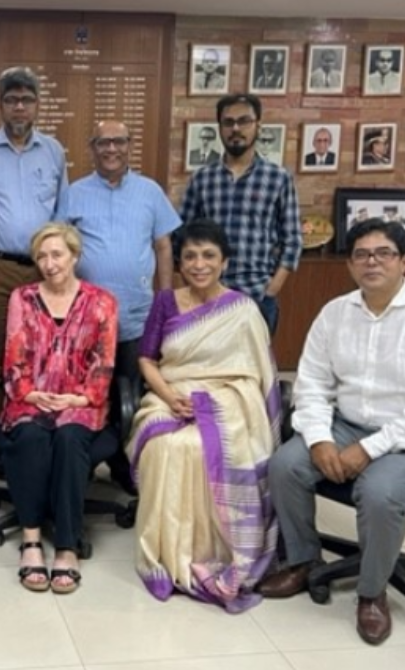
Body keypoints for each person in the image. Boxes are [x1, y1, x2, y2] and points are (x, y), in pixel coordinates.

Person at [258, 219, 405, 645]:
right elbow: (312, 383)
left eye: (384, 253)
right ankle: (303, 562)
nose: (372, 262)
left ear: (404, 261)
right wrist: (318, 438)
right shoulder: (334, 314)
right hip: (344, 423)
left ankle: (372, 593)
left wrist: (368, 449)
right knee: (284, 465)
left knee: (378, 493)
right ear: (350, 265)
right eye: (361, 254)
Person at [126, 220, 279, 612]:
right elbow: (147, 358)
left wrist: (214, 402)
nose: (198, 264)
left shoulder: (243, 310)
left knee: (199, 445)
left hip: (228, 398)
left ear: (224, 262)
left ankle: (214, 549)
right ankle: (165, 552)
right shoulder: (165, 302)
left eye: (208, 255)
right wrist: (169, 395)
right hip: (169, 392)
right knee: (164, 445)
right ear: (179, 262)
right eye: (190, 256)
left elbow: (255, 373)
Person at [0, 223, 117, 595]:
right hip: (30, 398)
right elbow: (13, 360)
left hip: (81, 402)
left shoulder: (102, 302)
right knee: (31, 435)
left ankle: (66, 547)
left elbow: (104, 364)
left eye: (57, 254)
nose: (49, 264)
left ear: (74, 256)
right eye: (42, 256)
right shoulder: (22, 297)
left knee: (69, 437)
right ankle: (31, 539)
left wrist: (78, 399)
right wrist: (32, 394)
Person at [0, 66, 68, 420]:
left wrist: (59, 265)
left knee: (42, 349)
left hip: (44, 269)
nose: (19, 107)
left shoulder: (53, 151)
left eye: (26, 100)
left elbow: (62, 212)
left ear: (37, 105)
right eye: (11, 100)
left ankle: (34, 424)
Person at [56, 119, 179, 382]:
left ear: (130, 146)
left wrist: (165, 296)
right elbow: (58, 247)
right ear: (92, 149)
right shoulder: (73, 193)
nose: (111, 149)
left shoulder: (151, 192)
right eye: (103, 142)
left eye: (119, 141)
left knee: (132, 389)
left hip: (137, 315)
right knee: (90, 389)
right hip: (85, 317)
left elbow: (163, 246)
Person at [181, 94, 302, 335]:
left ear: (258, 125)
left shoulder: (277, 178)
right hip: (208, 296)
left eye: (244, 121)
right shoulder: (202, 178)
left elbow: (293, 239)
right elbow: (182, 235)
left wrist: (272, 288)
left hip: (257, 295)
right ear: (220, 128)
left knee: (255, 370)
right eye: (228, 122)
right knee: (207, 368)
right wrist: (192, 285)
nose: (236, 128)